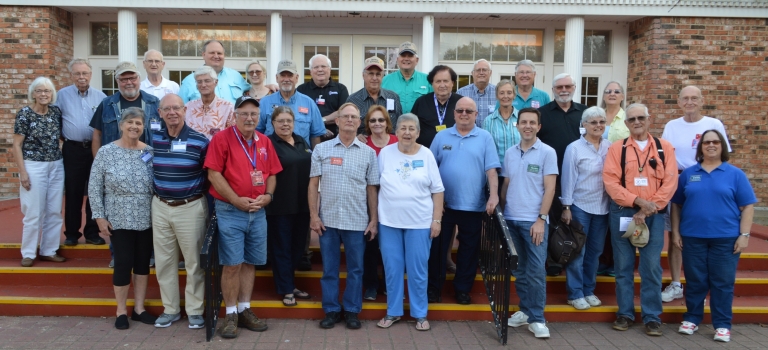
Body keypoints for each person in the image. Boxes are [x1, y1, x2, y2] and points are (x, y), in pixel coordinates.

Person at [205, 95, 281, 338]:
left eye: (254, 114)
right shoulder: (222, 138)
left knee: (250, 262)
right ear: (235, 116)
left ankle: (245, 309)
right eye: (244, 113)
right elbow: (214, 175)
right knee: (232, 264)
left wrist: (268, 195)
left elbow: (271, 174)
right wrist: (235, 200)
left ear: (259, 118)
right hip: (230, 210)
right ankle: (230, 314)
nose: (249, 118)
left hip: (258, 212)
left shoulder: (264, 141)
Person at [671, 129, 756, 343]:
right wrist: (676, 233)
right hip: (693, 237)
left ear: (722, 146)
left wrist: (744, 235)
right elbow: (676, 205)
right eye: (707, 142)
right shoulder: (690, 174)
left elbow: (747, 207)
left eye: (716, 142)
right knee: (696, 280)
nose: (711, 145)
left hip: (725, 238)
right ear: (700, 147)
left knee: (722, 282)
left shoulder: (735, 174)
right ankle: (692, 319)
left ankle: (722, 325)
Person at [603, 103, 677, 336]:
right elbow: (611, 182)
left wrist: (647, 208)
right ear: (626, 123)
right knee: (623, 267)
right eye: (632, 119)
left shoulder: (664, 148)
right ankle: (625, 314)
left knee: (651, 267)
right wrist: (638, 202)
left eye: (641, 118)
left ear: (649, 119)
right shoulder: (618, 148)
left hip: (653, 215)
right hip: (624, 213)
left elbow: (670, 181)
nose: (636, 122)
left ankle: (652, 317)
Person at [309, 103, 379, 330]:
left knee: (356, 269)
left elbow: (372, 188)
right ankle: (331, 310)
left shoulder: (368, 153)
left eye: (354, 117)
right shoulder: (322, 149)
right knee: (329, 269)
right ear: (336, 121)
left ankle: (351, 310)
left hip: (357, 221)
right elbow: (313, 184)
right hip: (327, 221)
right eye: (345, 116)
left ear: (360, 123)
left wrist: (373, 220)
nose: (350, 120)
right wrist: (313, 215)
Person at [660, 85, 732, 303]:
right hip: (678, 182)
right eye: (685, 98)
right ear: (679, 102)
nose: (689, 102)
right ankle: (675, 284)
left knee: (701, 235)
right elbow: (664, 157)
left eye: (694, 98)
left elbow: (725, 156)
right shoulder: (672, 126)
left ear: (701, 101)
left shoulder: (713, 124)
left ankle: (700, 286)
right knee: (675, 236)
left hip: (706, 182)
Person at [88, 107, 157, 329]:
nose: (134, 127)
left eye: (138, 123)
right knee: (123, 263)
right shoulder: (106, 152)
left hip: (146, 215)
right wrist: (99, 216)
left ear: (143, 127)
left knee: (142, 264)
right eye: (130, 123)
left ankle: (139, 309)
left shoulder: (149, 152)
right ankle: (120, 311)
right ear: (121, 125)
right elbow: (94, 186)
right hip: (118, 215)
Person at [427, 97, 499, 305]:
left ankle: (462, 290)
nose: (464, 114)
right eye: (460, 111)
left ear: (477, 115)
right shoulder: (441, 137)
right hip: (444, 206)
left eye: (469, 111)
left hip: (474, 205)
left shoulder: (485, 137)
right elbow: (431, 170)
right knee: (437, 250)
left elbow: (491, 170)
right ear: (454, 113)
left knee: (469, 251)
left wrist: (493, 196)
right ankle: (434, 288)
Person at [376, 113, 444, 331]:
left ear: (418, 132)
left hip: (420, 223)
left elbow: (438, 190)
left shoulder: (426, 155)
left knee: (418, 270)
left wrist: (437, 220)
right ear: (396, 132)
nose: (407, 132)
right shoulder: (385, 153)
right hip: (389, 222)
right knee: (393, 269)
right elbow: (374, 186)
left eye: (411, 129)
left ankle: (420, 314)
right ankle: (393, 312)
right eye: (403, 128)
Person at [150, 94, 209, 329]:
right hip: (160, 206)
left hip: (190, 207)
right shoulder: (153, 138)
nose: (172, 112)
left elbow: (210, 175)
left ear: (185, 110)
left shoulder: (200, 141)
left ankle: (195, 310)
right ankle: (171, 309)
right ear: (160, 113)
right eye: (167, 109)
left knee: (194, 262)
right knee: (164, 262)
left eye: (176, 108)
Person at [502, 107, 557, 339]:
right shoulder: (510, 152)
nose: (527, 126)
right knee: (520, 270)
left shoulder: (547, 152)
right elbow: (506, 185)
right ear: (517, 125)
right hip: (511, 220)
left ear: (538, 126)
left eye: (532, 122)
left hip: (534, 221)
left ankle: (537, 318)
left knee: (535, 271)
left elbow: (550, 188)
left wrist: (541, 219)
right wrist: (502, 214)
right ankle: (525, 311)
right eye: (523, 122)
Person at [559, 107, 611, 310]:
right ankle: (575, 293)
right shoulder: (574, 148)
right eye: (593, 122)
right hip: (580, 205)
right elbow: (568, 178)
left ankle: (589, 290)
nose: (598, 126)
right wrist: (566, 206)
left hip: (603, 206)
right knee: (577, 251)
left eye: (601, 122)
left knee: (595, 252)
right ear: (584, 125)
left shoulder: (610, 147)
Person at [537, 72, 587, 277]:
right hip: (553, 176)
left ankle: (576, 257)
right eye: (559, 87)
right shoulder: (543, 113)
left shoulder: (585, 113)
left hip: (582, 177)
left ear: (574, 88)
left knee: (578, 220)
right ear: (553, 89)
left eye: (567, 86)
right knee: (554, 219)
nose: (564, 90)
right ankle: (555, 259)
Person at [12, 77, 65, 267]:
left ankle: (49, 250)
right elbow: (17, 145)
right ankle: (28, 253)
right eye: (40, 91)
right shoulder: (25, 114)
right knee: (33, 211)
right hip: (33, 165)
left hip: (56, 165)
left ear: (52, 94)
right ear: (33, 93)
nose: (44, 94)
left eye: (47, 91)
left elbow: (61, 136)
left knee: (54, 210)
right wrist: (23, 172)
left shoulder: (56, 112)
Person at [265, 106, 313, 306]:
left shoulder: (302, 141)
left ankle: (290, 283)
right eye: (281, 121)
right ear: (273, 123)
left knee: (297, 247)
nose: (285, 124)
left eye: (289, 121)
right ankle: (286, 288)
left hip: (303, 204)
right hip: (281, 206)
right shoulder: (268, 143)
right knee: (282, 248)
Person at [57, 58, 106, 247]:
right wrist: (70, 138)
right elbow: (57, 124)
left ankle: (92, 233)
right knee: (73, 192)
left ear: (90, 74)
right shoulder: (61, 96)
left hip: (95, 150)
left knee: (94, 192)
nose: (81, 77)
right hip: (73, 150)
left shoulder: (100, 97)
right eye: (77, 73)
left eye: (85, 73)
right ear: (71, 75)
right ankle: (71, 233)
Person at [362, 105, 397, 300]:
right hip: (369, 201)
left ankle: (388, 284)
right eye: (373, 120)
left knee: (390, 247)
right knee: (371, 245)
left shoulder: (396, 142)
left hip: (393, 202)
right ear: (368, 124)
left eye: (381, 120)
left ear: (387, 123)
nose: (377, 123)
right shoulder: (363, 144)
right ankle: (371, 285)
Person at [91, 61, 161, 156]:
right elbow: (97, 135)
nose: (129, 83)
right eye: (124, 79)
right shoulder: (106, 104)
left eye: (132, 78)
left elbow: (164, 132)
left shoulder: (154, 103)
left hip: (147, 159)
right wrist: (98, 162)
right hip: (114, 162)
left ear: (139, 79)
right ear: (117, 81)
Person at [257, 59, 326, 148]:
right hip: (272, 156)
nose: (286, 79)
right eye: (282, 75)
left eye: (290, 75)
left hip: (300, 157)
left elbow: (316, 135)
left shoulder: (309, 103)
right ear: (277, 78)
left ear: (296, 78)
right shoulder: (265, 102)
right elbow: (258, 133)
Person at [297, 54, 350, 142]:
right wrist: (321, 129)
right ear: (310, 71)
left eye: (323, 66)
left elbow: (342, 113)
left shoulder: (341, 89)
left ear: (329, 69)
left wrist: (320, 121)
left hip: (335, 139)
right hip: (308, 138)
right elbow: (299, 114)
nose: (320, 69)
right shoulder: (301, 89)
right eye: (316, 67)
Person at [178, 39, 250, 104]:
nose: (216, 56)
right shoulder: (189, 81)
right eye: (212, 53)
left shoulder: (235, 76)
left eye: (219, 53)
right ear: (203, 55)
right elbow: (180, 109)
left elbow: (254, 91)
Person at [347, 57, 403, 136]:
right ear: (363, 76)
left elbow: (400, 125)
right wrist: (356, 137)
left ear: (382, 76)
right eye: (371, 74)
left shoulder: (393, 97)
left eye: (378, 74)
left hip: (389, 145)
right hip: (364, 145)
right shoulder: (353, 100)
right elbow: (346, 128)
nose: (374, 78)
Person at [482, 79, 519, 196]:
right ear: (497, 96)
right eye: (502, 93)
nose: (505, 96)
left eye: (509, 92)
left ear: (514, 95)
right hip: (497, 175)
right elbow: (485, 149)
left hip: (519, 173)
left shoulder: (522, 118)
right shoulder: (488, 121)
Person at [412, 65, 463, 148]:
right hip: (426, 152)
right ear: (432, 83)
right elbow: (412, 126)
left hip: (455, 152)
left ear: (452, 83)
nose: (442, 85)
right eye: (438, 81)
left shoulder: (461, 102)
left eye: (445, 81)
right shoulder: (421, 102)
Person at [184, 66, 236, 140]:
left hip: (218, 150)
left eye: (207, 81)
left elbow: (232, 135)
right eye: (199, 82)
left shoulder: (228, 107)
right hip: (194, 150)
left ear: (216, 82)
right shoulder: (188, 107)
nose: (203, 85)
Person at [381, 41, 432, 113]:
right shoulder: (385, 81)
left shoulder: (428, 80)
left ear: (417, 60)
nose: (406, 58)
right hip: (393, 123)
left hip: (420, 123)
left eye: (410, 56)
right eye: (403, 55)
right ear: (397, 59)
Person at [456, 59, 496, 126]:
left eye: (484, 70)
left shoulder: (498, 93)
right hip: (468, 135)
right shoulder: (461, 93)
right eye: (478, 70)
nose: (481, 73)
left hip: (492, 135)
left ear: (490, 73)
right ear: (472, 73)